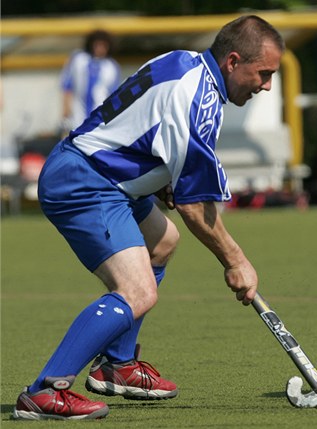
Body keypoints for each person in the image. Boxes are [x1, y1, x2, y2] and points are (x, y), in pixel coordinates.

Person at [13, 15, 285, 420]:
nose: (265, 86)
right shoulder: (199, 98)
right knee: (137, 291)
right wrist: (236, 261)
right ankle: (46, 390)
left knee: (163, 241)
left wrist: (162, 180)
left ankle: (117, 365)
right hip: (88, 180)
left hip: (111, 175)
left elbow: (140, 125)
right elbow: (195, 206)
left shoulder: (184, 61)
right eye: (263, 74)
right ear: (232, 62)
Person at [60, 29, 121, 133]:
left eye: (104, 45)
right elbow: (67, 86)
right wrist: (65, 113)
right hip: (76, 117)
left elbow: (114, 96)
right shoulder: (78, 59)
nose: (100, 49)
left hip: (99, 121)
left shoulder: (111, 66)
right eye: (97, 45)